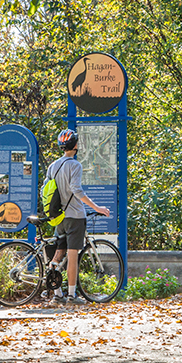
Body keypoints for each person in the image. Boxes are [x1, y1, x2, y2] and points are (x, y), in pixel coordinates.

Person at [45, 129, 111, 304]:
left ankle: (57, 294)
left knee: (58, 255)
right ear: (75, 146)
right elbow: (76, 189)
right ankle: (72, 296)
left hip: (59, 217)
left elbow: (46, 190)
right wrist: (96, 207)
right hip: (75, 216)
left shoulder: (53, 166)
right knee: (72, 255)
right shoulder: (75, 165)